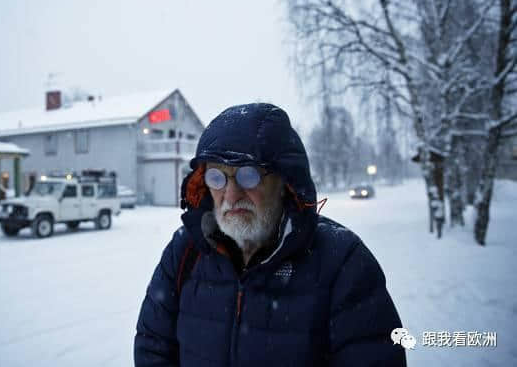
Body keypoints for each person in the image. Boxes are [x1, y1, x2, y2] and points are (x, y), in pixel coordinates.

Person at [134, 103, 406, 366]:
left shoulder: (342, 262)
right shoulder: (185, 251)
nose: (230, 195)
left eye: (248, 175)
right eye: (217, 177)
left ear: (285, 183)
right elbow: (153, 347)